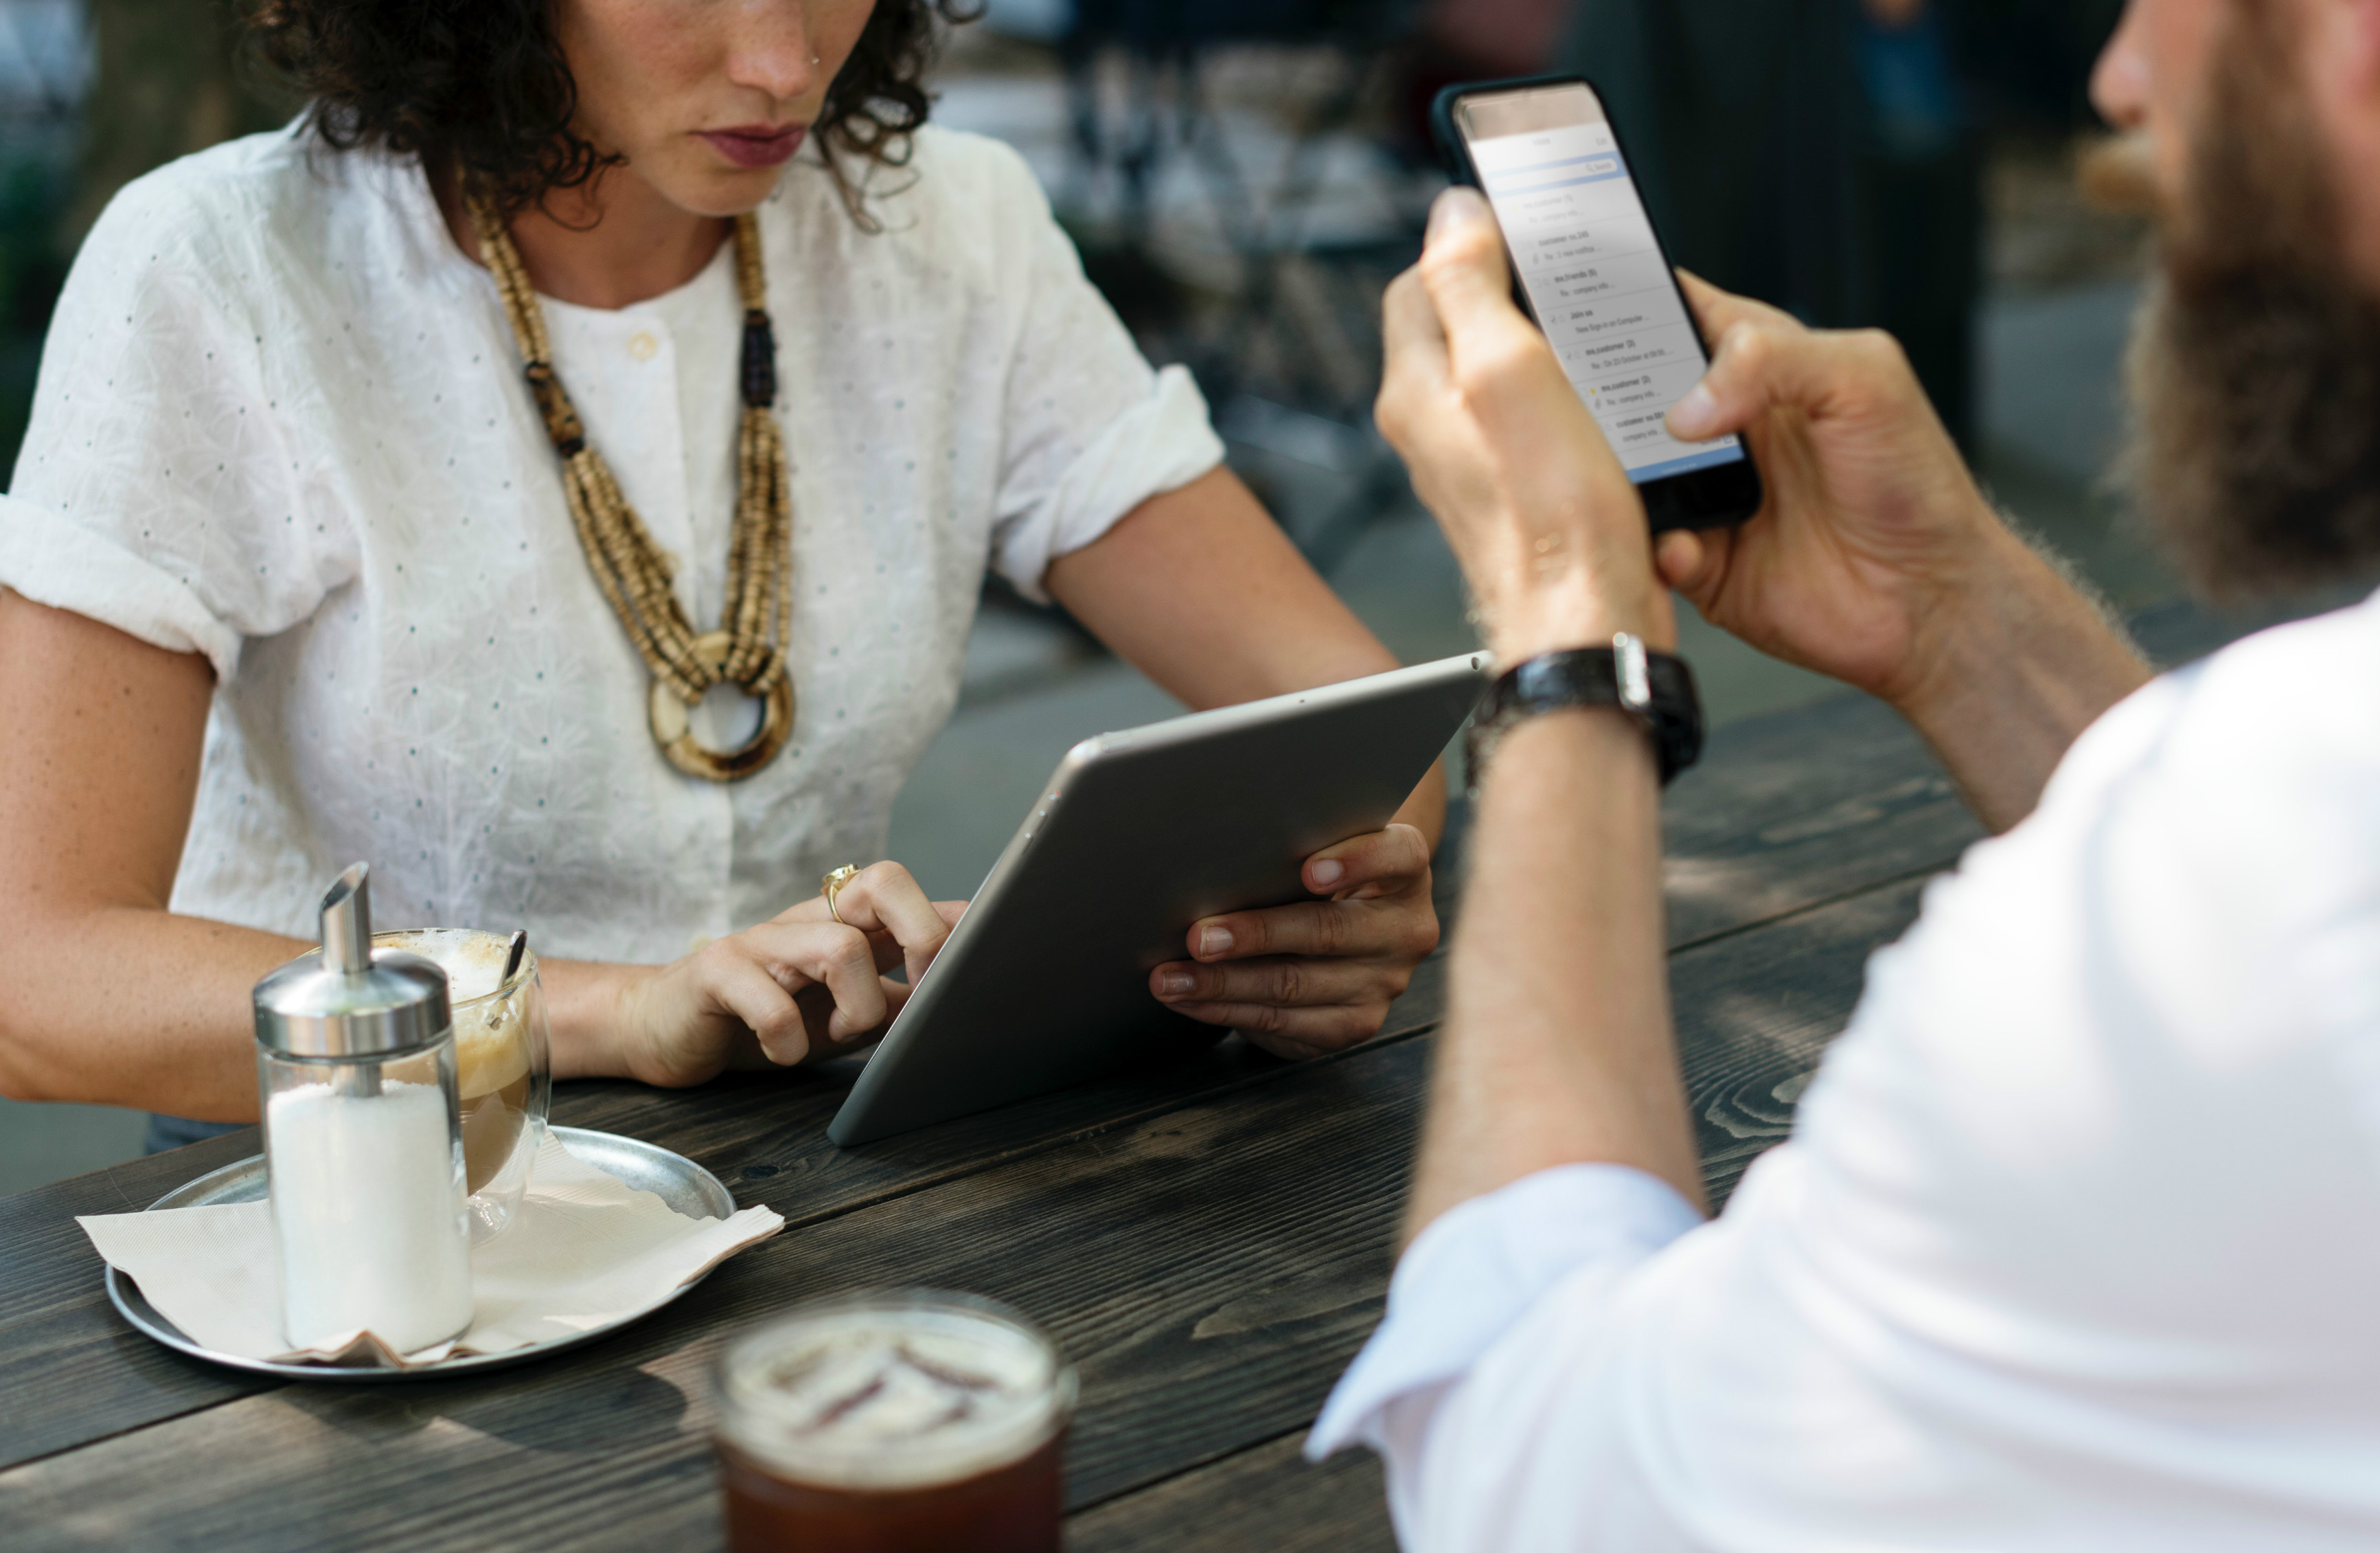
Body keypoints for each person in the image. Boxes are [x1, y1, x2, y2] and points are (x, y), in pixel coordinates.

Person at [1313, 0, 2380, 1545]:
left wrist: (1569, 627)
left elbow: (1551, 1479)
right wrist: (1956, 620)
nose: (2118, 77)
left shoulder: (2348, 858)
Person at [0, 0, 1445, 1140]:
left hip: (816, 1172)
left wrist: (1323, 909)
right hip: (353, 1206)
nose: (783, 60)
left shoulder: (948, 228)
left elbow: (1356, 727)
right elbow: (36, 979)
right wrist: (614, 1013)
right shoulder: (224, 272)